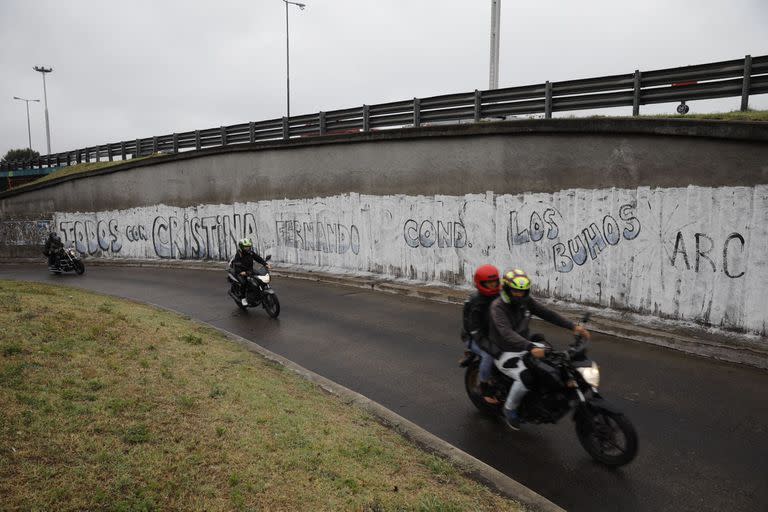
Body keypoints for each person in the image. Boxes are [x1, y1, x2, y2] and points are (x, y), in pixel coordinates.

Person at [489, 268, 590, 430]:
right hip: (505, 351)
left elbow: (547, 314)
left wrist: (573, 326)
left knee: (557, 363)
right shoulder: (498, 306)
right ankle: (509, 409)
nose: (519, 295)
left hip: (525, 345)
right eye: (515, 291)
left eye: (522, 292)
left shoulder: (525, 301)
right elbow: (506, 333)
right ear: (507, 289)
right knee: (525, 377)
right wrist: (529, 347)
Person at [460, 264, 501, 404]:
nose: (492, 285)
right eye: (489, 283)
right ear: (481, 283)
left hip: (493, 335)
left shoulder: (500, 296)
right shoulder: (474, 302)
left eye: (494, 282)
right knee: (488, 354)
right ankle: (484, 387)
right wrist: (488, 344)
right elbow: (472, 329)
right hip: (473, 337)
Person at [230, 238, 271, 307]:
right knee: (244, 283)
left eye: (249, 246)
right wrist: (241, 272)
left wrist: (265, 264)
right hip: (241, 272)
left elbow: (257, 258)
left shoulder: (250, 253)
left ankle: (258, 292)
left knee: (259, 276)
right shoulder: (238, 255)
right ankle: (243, 298)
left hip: (249, 270)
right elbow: (236, 264)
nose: (248, 248)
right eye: (246, 247)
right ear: (241, 247)